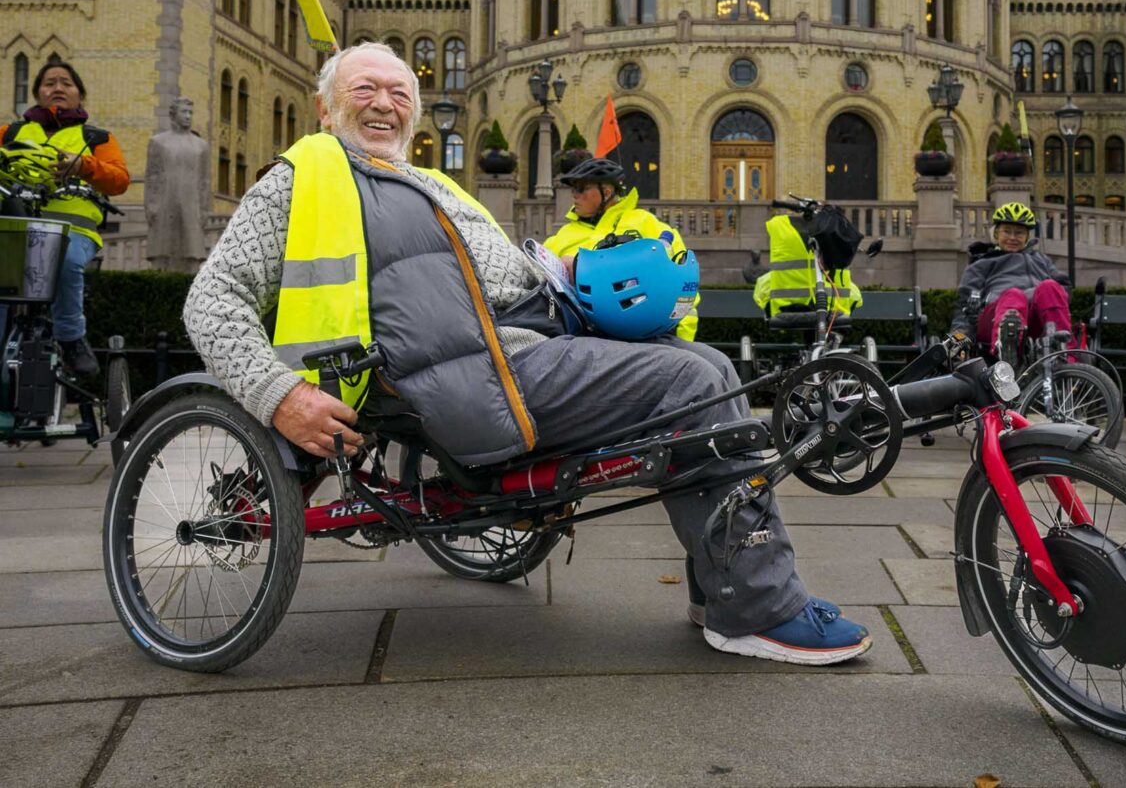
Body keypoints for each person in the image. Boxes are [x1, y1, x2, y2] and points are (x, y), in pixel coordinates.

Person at [184, 42, 870, 665]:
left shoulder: (431, 186)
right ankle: (760, 608)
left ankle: (725, 591)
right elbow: (209, 303)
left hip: (515, 348)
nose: (384, 103)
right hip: (464, 381)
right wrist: (283, 397)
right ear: (326, 107)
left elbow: (510, 279)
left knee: (712, 370)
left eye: (399, 93)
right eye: (365, 89)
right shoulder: (300, 180)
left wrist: (574, 280)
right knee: (692, 385)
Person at [3, 61, 129, 376]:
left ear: (79, 95)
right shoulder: (12, 132)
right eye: (49, 83)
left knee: (67, 260)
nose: (57, 88)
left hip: (73, 230)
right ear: (37, 94)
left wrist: (85, 166)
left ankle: (71, 338)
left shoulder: (95, 137)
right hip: (16, 230)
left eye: (66, 83)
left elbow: (119, 180)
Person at [545, 156, 698, 341]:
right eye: (573, 189)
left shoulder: (645, 223)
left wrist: (680, 340)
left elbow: (682, 283)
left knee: (716, 363)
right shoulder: (561, 236)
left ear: (607, 191)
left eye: (581, 188)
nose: (574, 195)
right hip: (580, 337)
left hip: (646, 335)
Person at [948, 202, 1071, 357]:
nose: (1012, 238)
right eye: (1007, 232)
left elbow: (1063, 289)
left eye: (1019, 233)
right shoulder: (982, 263)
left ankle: (1063, 354)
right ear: (996, 235)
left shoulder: (1041, 260)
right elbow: (964, 306)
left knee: (1050, 286)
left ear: (1027, 237)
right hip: (994, 318)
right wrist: (958, 339)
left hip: (1035, 319)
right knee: (1014, 295)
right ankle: (1005, 348)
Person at [145, 96, 212, 273]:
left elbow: (204, 181)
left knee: (191, 252)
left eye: (191, 112)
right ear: (174, 114)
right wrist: (151, 206)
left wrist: (204, 209)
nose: (188, 116)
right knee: (163, 252)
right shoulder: (158, 142)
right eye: (184, 112)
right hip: (165, 202)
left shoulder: (201, 146)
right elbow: (152, 176)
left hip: (191, 204)